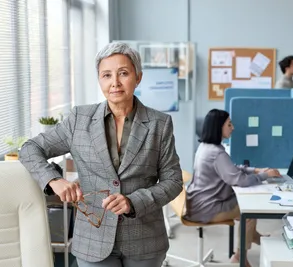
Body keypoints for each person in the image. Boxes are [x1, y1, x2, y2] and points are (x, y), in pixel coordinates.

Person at [19, 42, 183, 267]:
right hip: (93, 241)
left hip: (145, 241)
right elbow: (30, 149)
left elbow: (173, 181)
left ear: (138, 77)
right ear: (99, 79)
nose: (115, 82)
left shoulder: (159, 124)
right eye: (107, 75)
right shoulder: (79, 119)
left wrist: (133, 202)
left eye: (123, 73)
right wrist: (54, 180)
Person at [185, 109, 281, 267]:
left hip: (197, 202)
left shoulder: (205, 147)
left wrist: (256, 170)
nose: (233, 128)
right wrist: (266, 176)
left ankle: (256, 238)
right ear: (218, 127)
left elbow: (231, 168)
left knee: (247, 209)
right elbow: (239, 180)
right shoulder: (216, 153)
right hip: (207, 207)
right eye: (229, 124)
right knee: (249, 212)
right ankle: (240, 256)